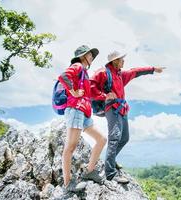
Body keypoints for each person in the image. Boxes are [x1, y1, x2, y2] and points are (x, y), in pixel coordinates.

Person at [90, 51, 165, 183]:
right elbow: (90, 87)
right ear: (115, 61)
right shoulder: (103, 72)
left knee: (124, 138)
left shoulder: (120, 75)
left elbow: (135, 72)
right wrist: (104, 96)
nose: (124, 61)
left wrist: (153, 69)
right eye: (121, 59)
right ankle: (111, 173)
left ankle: (110, 161)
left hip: (122, 109)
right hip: (111, 108)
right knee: (115, 137)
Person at [58, 45, 107, 191]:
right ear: (82, 56)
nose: (92, 56)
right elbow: (63, 76)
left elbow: (89, 94)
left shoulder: (84, 72)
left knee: (101, 139)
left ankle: (90, 171)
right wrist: (73, 92)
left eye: (92, 55)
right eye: (90, 54)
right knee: (70, 147)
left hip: (84, 112)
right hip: (75, 109)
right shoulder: (78, 66)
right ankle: (68, 183)